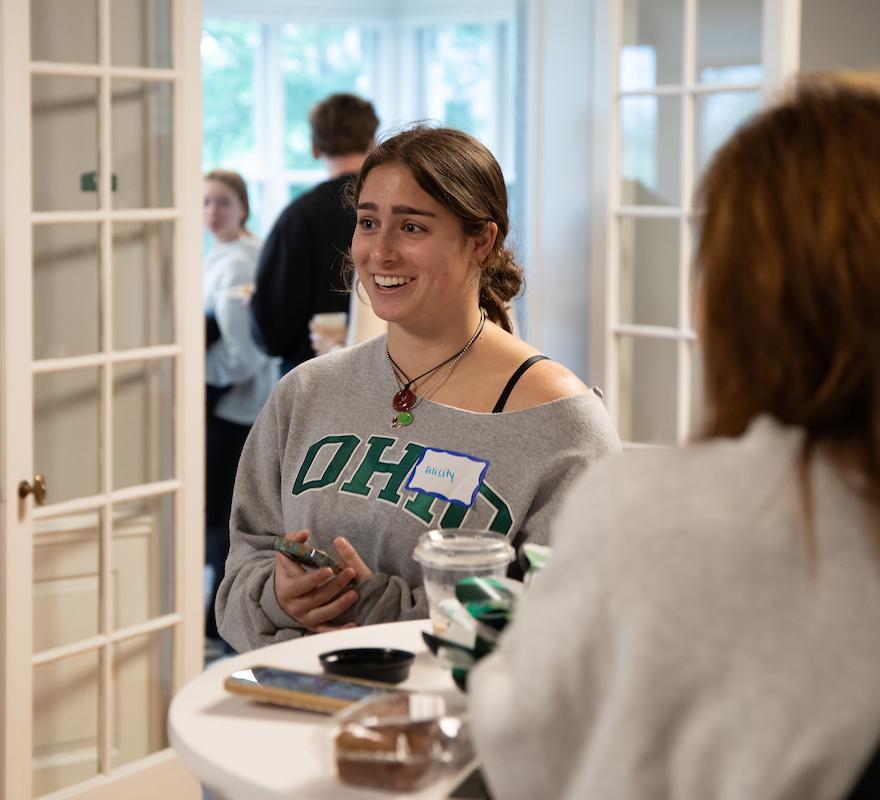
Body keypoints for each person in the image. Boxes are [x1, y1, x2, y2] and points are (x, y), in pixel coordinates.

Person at [467, 73, 880, 799]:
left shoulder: (656, 507)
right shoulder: (315, 390)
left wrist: (499, 663)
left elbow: (531, 749)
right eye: (369, 222)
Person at [216, 125, 621, 653]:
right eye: (368, 223)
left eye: (412, 227)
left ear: (481, 240)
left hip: (457, 728)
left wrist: (378, 606)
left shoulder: (561, 424)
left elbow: (578, 628)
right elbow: (240, 575)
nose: (380, 252)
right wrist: (278, 595)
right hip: (299, 716)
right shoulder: (306, 393)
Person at [251, 93, 379, 374]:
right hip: (389, 373)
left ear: (315, 148)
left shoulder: (298, 217)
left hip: (309, 377)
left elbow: (274, 331)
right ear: (372, 143)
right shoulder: (400, 213)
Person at [203, 170, 277, 652]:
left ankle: (222, 615)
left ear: (243, 207)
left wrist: (198, 373)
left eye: (223, 202)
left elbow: (242, 352)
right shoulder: (220, 257)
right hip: (226, 404)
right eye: (206, 202)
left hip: (235, 409)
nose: (213, 211)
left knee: (225, 513)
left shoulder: (239, 265)